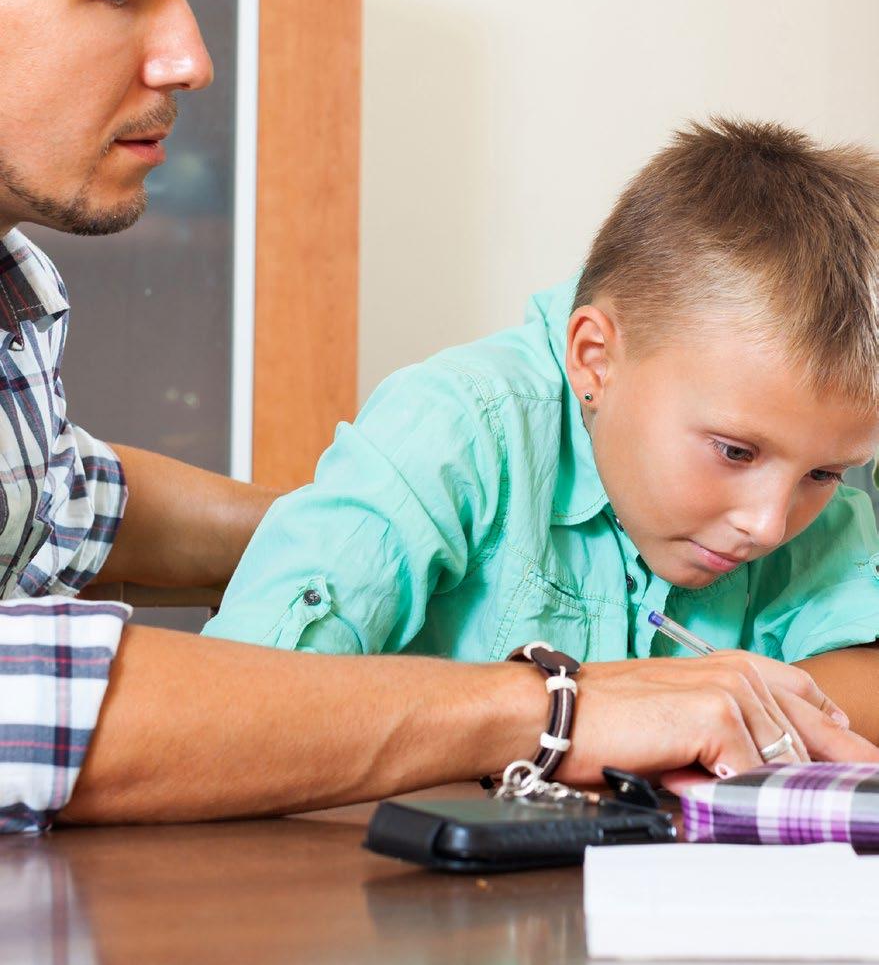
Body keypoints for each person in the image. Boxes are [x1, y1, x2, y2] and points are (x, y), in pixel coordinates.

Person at [1, 0, 874, 837]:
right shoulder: (466, 419)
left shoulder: (19, 302)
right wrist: (553, 703)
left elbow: (60, 500)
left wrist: (375, 520)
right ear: (595, 356)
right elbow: (25, 702)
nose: (195, 57)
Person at [207, 118, 879, 752]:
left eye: (824, 474)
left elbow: (863, 684)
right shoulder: (456, 428)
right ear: (594, 360)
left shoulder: (801, 448)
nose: (766, 524)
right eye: (734, 452)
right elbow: (246, 699)